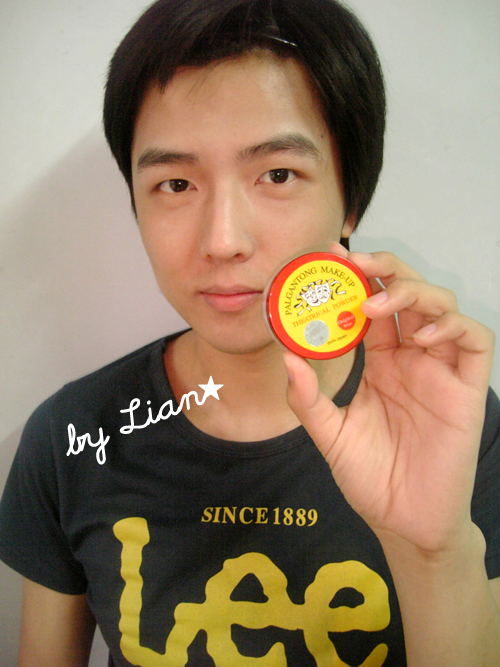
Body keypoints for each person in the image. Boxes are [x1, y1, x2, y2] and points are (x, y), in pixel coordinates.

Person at [1, 0, 499, 665]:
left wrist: (434, 553)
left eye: (278, 175)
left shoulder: (454, 428)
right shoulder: (72, 435)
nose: (223, 240)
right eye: (176, 183)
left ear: (350, 200)